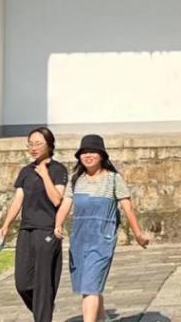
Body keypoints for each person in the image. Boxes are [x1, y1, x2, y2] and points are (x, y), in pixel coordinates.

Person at [54, 134, 150, 322]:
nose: (88, 156)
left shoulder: (114, 179)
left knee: (90, 284)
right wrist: (58, 224)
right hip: (79, 240)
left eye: (93, 152)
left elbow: (127, 208)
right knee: (88, 284)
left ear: (102, 156)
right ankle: (101, 318)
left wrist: (138, 234)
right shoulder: (76, 180)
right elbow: (65, 204)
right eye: (84, 152)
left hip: (102, 240)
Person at [0, 127, 68, 322]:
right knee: (22, 283)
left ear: (50, 145)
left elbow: (57, 200)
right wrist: (6, 225)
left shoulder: (58, 170)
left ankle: (43, 314)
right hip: (26, 230)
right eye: (30, 144)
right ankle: (44, 309)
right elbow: (18, 200)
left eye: (38, 144)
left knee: (43, 283)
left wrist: (44, 175)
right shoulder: (25, 171)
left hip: (47, 230)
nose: (33, 148)